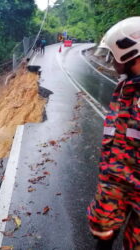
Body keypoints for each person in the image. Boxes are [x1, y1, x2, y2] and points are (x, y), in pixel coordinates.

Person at [87, 16, 140, 250]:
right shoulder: (125, 87)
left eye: (112, 55)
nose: (111, 62)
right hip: (113, 183)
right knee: (102, 229)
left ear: (129, 52)